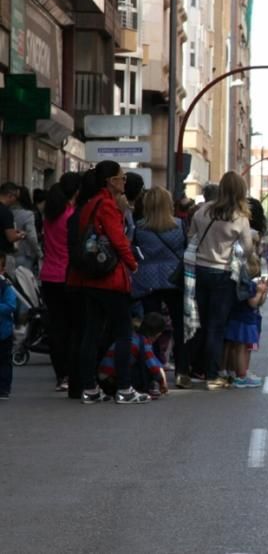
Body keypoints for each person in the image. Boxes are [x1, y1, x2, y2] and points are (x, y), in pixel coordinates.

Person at [68, 161, 142, 405]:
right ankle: (124, 388)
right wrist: (133, 264)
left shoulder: (89, 204)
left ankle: (89, 388)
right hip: (110, 277)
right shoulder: (108, 206)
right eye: (121, 178)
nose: (125, 181)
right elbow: (119, 241)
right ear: (110, 181)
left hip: (89, 276)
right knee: (124, 332)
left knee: (91, 332)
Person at [188, 171, 255, 391]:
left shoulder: (202, 211)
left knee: (199, 323)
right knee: (217, 326)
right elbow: (246, 249)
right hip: (223, 273)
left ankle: (190, 369)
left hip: (199, 271)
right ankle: (212, 374)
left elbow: (191, 237)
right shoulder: (239, 217)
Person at [132, 186, 189, 388]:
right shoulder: (180, 225)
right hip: (174, 280)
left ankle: (153, 369)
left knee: (150, 327)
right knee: (180, 327)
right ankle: (182, 371)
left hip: (147, 281)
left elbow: (134, 253)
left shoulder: (139, 228)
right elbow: (187, 251)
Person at [40, 174, 81, 392]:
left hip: (48, 275)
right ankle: (71, 371)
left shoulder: (50, 216)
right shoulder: (71, 216)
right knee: (72, 326)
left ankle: (61, 376)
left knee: (56, 327)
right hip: (67, 274)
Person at [223, 246, 268, 389]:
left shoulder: (245, 283)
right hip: (244, 320)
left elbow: (259, 304)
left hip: (243, 319)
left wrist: (264, 290)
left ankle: (241, 373)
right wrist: (259, 292)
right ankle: (241, 376)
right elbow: (253, 304)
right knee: (242, 349)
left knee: (244, 348)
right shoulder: (248, 284)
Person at [96, 312, 167, 401]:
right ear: (158, 335)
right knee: (150, 370)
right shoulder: (144, 343)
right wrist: (162, 382)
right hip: (113, 379)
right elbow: (154, 367)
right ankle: (150, 388)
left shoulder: (131, 336)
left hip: (104, 377)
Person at [11, 186, 41, 273]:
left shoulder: (7, 211)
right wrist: (39, 253)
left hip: (9, 255)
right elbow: (32, 237)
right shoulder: (28, 214)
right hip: (25, 254)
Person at [0, 255, 17, 400]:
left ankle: (4, 388)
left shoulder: (5, 286)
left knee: (4, 361)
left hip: (3, 331)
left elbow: (11, 305)